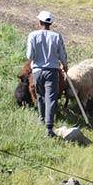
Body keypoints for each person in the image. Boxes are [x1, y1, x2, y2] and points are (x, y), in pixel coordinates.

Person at [25, 10, 68, 138]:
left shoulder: (33, 35)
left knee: (40, 96)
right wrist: (65, 65)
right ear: (51, 23)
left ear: (39, 22)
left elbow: (29, 55)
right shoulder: (56, 36)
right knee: (51, 98)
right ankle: (49, 128)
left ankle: (41, 119)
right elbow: (62, 55)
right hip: (52, 71)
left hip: (37, 71)